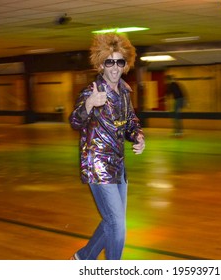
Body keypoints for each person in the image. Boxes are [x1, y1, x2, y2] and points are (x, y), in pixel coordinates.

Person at [69, 33, 145, 260]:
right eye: (109, 62)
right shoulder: (91, 91)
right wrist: (90, 104)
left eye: (119, 61)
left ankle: (83, 258)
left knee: (113, 220)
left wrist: (138, 136)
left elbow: (131, 122)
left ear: (125, 65)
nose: (114, 67)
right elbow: (74, 121)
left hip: (119, 166)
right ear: (101, 64)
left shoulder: (124, 92)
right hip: (98, 166)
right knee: (118, 225)